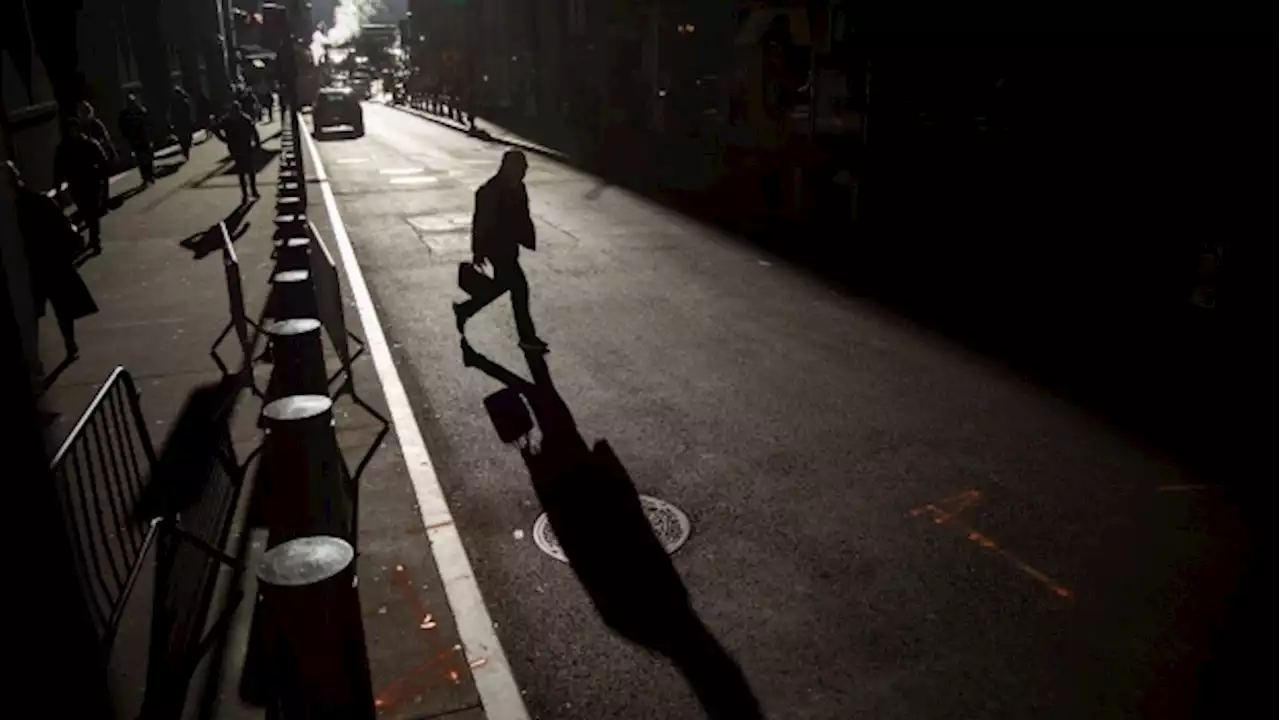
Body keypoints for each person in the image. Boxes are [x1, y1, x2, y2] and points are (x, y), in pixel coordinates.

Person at [454, 150, 548, 351]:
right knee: (520, 288)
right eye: (521, 168)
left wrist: (526, 237)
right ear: (510, 167)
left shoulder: (518, 187)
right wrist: (478, 251)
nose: (524, 172)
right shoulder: (489, 191)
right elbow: (480, 223)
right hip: (496, 247)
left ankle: (465, 310)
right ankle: (527, 338)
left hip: (510, 246)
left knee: (503, 286)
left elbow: (523, 215)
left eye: (525, 168)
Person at [7, 161, 99, 358]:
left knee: (31, 312)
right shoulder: (37, 200)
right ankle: (69, 343)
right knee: (61, 306)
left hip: (29, 266)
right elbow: (62, 223)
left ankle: (38, 353)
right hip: (50, 261)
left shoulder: (10, 209)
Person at [54, 119, 110, 253]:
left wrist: (103, 181)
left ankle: (95, 240)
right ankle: (93, 237)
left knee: (93, 212)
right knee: (85, 212)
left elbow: (102, 162)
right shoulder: (64, 149)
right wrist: (57, 187)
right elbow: (58, 169)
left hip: (92, 182)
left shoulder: (90, 144)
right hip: (76, 184)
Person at [211, 101, 261, 202]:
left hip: (235, 148)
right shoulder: (244, 118)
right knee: (250, 170)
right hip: (245, 147)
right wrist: (257, 143)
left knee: (242, 171)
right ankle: (252, 191)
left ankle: (245, 194)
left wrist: (224, 139)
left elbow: (215, 128)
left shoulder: (227, 120)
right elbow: (254, 131)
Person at [118, 94, 154, 185]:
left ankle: (150, 176)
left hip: (144, 138)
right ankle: (145, 177)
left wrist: (150, 135)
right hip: (136, 140)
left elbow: (148, 123)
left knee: (148, 158)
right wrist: (127, 136)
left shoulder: (141, 110)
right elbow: (122, 126)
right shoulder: (124, 114)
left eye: (132, 102)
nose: (131, 104)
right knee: (141, 159)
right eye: (130, 102)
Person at [171, 86, 194, 159]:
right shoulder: (174, 104)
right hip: (180, 123)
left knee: (186, 138)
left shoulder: (184, 102)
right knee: (182, 138)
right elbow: (172, 114)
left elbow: (189, 111)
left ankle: (186, 151)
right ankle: (185, 151)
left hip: (184, 122)